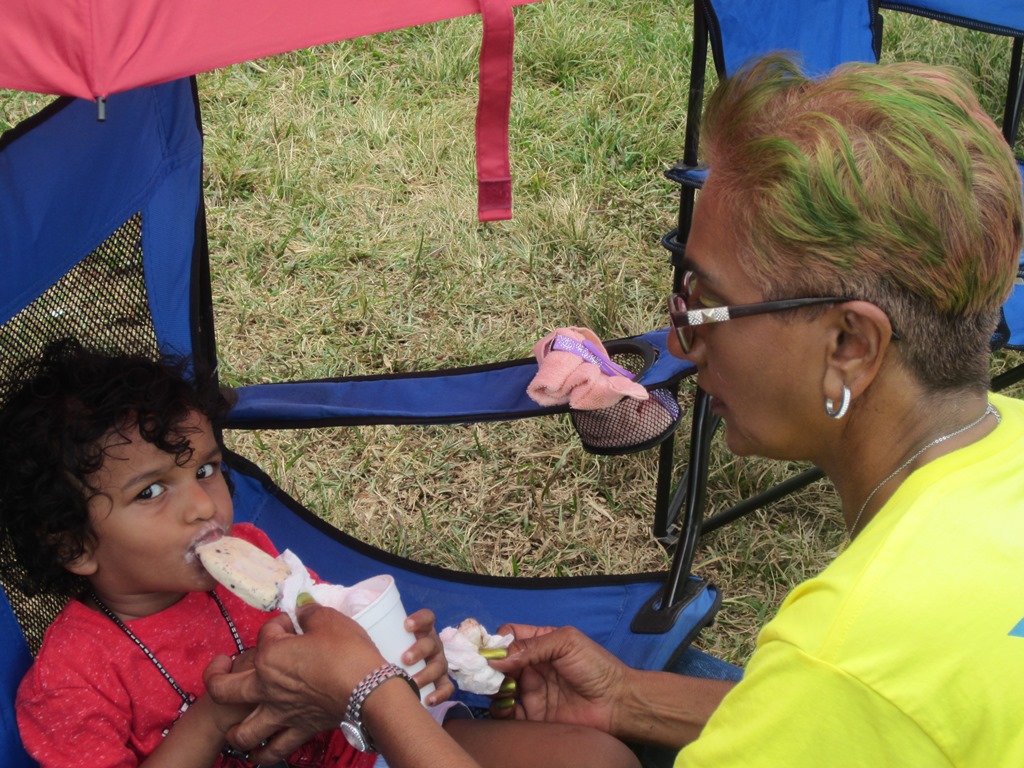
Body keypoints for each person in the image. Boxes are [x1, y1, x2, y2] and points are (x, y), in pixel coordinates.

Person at [202, 55, 1024, 767]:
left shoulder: (849, 656)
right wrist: (629, 699)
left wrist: (374, 696)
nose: (682, 341)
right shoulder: (1001, 447)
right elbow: (837, 729)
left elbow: (846, 705)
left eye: (705, 301)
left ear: (851, 343)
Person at [0, 339, 640, 768]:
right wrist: (217, 712)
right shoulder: (72, 677)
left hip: (367, 746)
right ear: (75, 544)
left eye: (204, 470)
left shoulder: (249, 552)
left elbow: (341, 638)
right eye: (152, 491)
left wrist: (405, 655)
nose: (202, 506)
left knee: (599, 758)